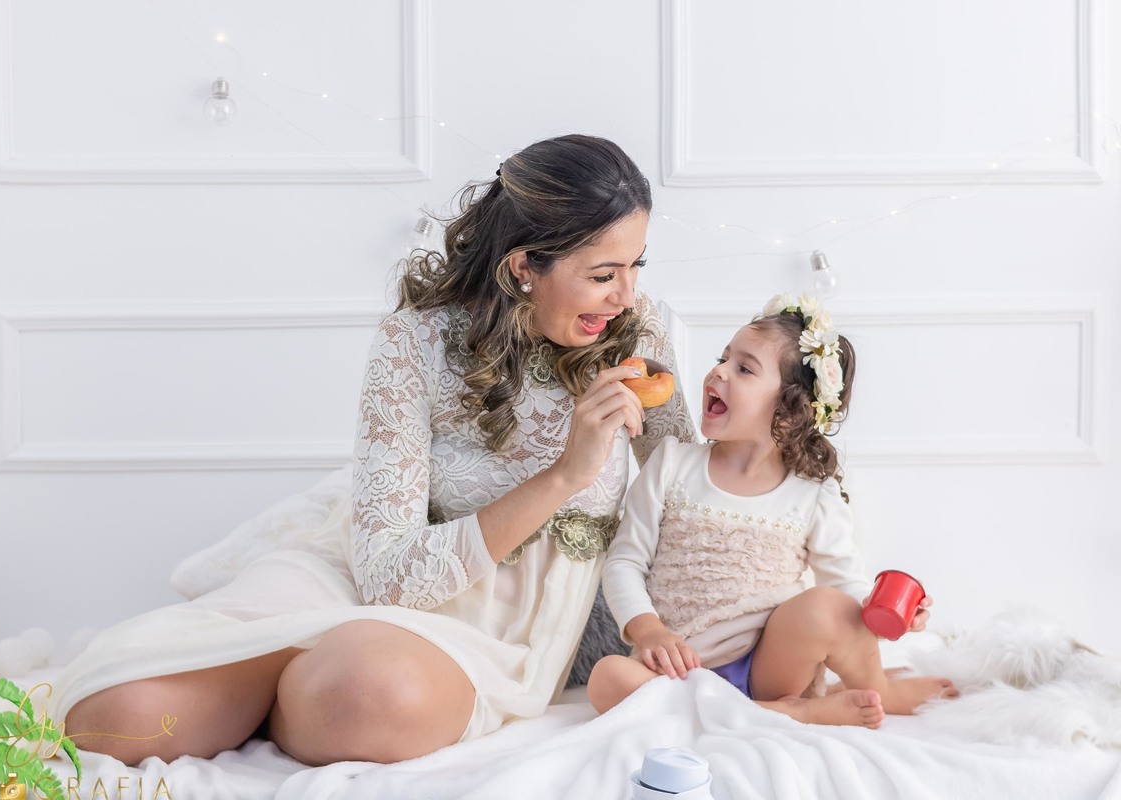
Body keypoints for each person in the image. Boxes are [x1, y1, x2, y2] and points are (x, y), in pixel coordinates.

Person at [54, 134, 698, 766]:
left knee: (363, 695)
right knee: (114, 722)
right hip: (376, 570)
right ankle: (285, 667)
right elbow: (388, 577)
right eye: (603, 275)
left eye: (636, 266)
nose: (626, 296)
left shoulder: (637, 334)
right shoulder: (414, 341)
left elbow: (693, 497)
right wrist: (564, 475)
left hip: (500, 627)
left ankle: (302, 688)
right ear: (523, 266)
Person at [586, 293, 958, 727]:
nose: (719, 371)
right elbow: (625, 561)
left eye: (743, 368)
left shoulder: (813, 494)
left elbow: (846, 588)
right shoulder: (671, 464)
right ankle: (787, 715)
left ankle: (880, 687)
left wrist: (891, 612)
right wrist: (648, 630)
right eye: (723, 358)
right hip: (677, 669)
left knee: (826, 605)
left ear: (789, 412)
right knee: (606, 679)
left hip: (771, 669)